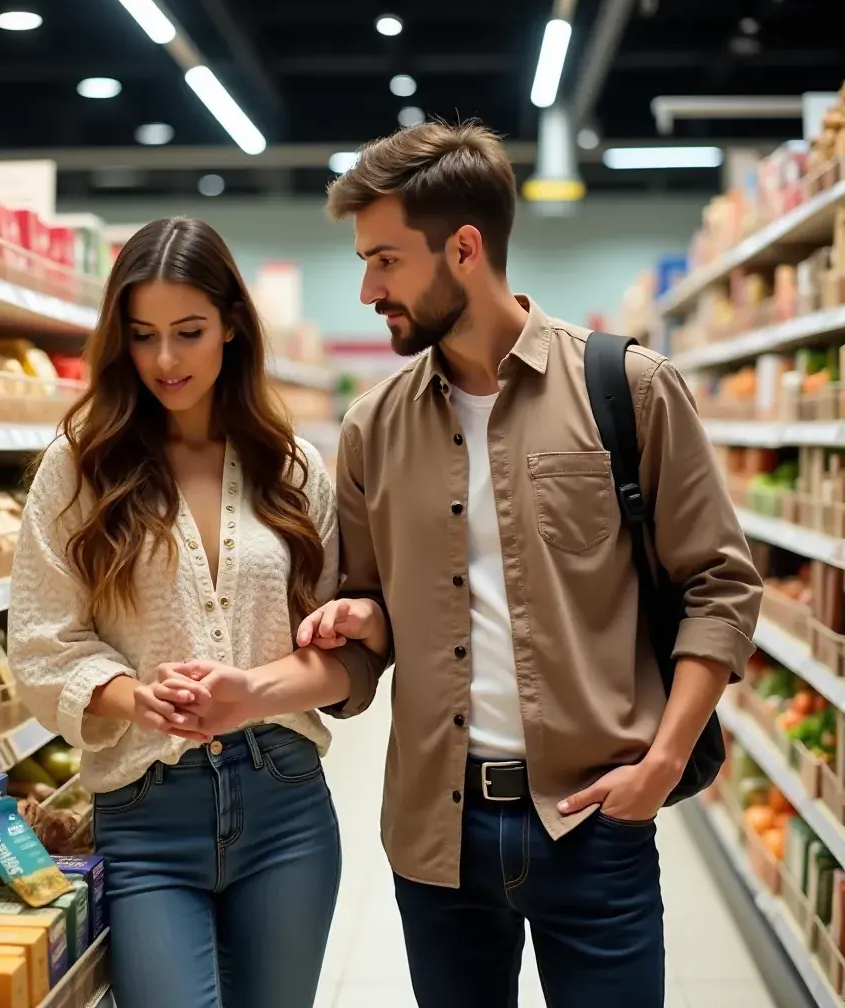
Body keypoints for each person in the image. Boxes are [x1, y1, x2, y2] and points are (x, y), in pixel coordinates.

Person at [150, 122, 764, 1008]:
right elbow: (362, 627)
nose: (366, 289)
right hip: (439, 834)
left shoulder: (628, 390)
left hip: (593, 821)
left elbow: (720, 584)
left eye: (386, 261)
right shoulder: (373, 427)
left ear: (466, 249)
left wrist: (663, 765)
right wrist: (358, 623)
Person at [7, 217, 372, 1008]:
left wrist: (255, 691)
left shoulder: (293, 468)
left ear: (232, 325)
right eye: (142, 336)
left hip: (285, 801)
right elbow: (42, 643)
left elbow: (343, 655)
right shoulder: (80, 468)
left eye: (189, 332)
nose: (165, 360)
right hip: (145, 811)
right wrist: (135, 697)